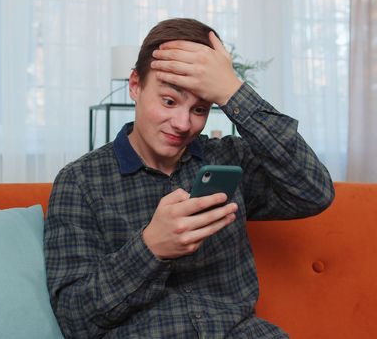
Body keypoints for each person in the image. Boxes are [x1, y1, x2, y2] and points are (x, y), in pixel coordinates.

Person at [45, 18, 334, 338]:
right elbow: (74, 318)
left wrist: (233, 91)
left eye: (199, 109)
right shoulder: (79, 183)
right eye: (169, 101)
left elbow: (315, 191)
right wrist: (150, 247)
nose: (183, 124)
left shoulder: (230, 160)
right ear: (135, 85)